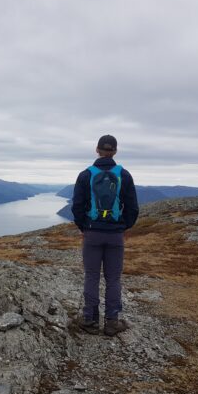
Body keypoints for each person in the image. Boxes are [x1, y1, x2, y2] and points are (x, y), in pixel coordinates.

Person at [72, 135, 139, 336]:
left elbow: (76, 206)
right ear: (115, 151)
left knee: (92, 276)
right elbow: (133, 207)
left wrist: (85, 227)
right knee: (113, 279)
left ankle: (90, 321)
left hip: (92, 233)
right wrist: (123, 226)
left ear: (97, 150)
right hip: (115, 235)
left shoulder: (86, 175)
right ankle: (112, 322)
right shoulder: (123, 175)